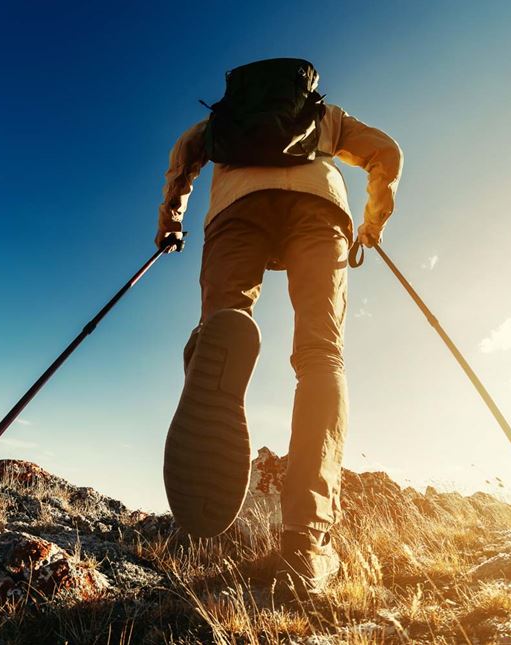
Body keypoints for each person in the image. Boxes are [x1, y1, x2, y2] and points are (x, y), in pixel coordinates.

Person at [158, 58, 402, 593]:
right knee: (321, 356)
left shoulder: (221, 121)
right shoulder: (326, 117)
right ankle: (307, 542)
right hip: (319, 208)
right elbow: (386, 152)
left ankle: (211, 360)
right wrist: (373, 222)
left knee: (222, 325)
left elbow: (184, 155)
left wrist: (170, 221)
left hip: (235, 211)